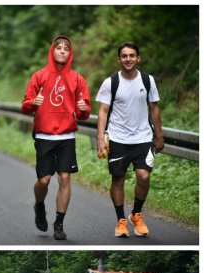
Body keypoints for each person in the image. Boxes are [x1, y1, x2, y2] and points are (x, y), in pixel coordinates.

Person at [21, 35, 90, 241]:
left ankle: (59, 224)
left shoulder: (77, 79)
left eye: (66, 49)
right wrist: (34, 102)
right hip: (44, 135)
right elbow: (25, 106)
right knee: (44, 180)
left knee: (65, 177)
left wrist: (84, 109)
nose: (62, 51)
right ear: (52, 51)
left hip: (67, 136)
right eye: (58, 47)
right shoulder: (39, 76)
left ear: (70, 53)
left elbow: (83, 112)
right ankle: (39, 206)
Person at [95, 41, 164, 237]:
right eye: (124, 56)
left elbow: (154, 108)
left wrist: (159, 135)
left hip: (143, 137)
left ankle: (136, 214)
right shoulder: (110, 83)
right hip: (117, 138)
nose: (128, 59)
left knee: (144, 176)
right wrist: (100, 138)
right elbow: (103, 111)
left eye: (132, 56)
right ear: (119, 59)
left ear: (138, 58)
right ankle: (121, 220)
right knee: (118, 179)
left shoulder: (147, 80)